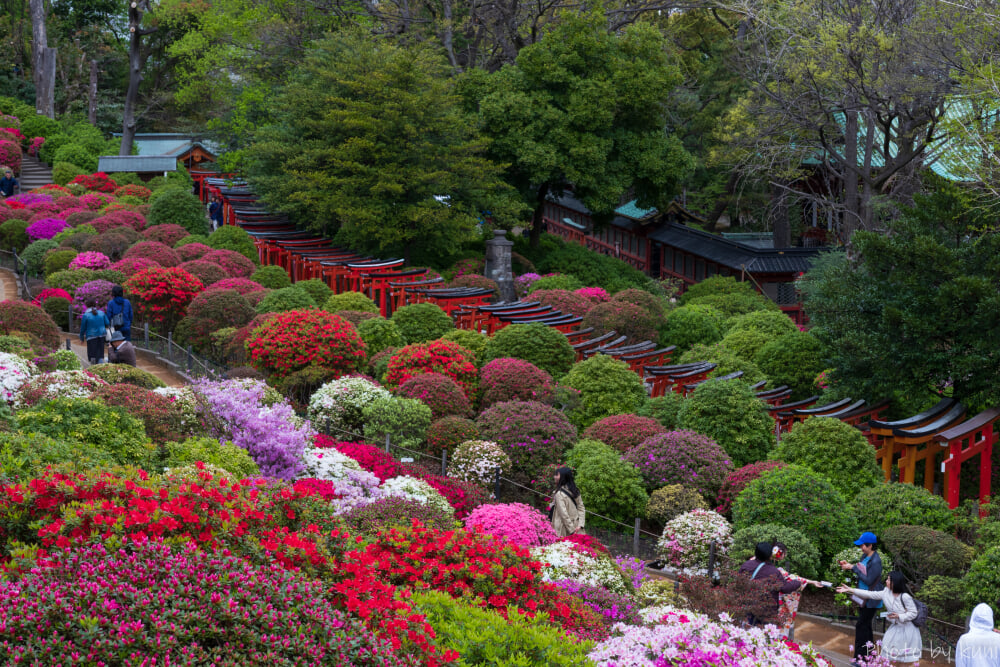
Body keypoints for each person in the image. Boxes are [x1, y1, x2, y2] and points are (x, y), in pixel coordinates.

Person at [837, 571, 922, 664]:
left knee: (904, 658)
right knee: (888, 649)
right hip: (895, 628)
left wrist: (899, 616)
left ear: (895, 582)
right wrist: (851, 589)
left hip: (907, 631)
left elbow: (913, 613)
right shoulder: (886, 592)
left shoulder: (905, 597)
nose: (886, 581)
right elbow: (869, 594)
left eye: (889, 579)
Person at [840, 531, 885, 664]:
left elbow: (869, 580)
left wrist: (853, 568)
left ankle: (859, 658)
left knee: (861, 626)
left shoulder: (876, 561)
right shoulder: (864, 557)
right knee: (866, 627)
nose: (861, 548)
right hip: (862, 596)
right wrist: (849, 566)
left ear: (870, 545)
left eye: (863, 546)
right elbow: (861, 571)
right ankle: (869, 657)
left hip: (871, 599)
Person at [738, 542, 806, 626]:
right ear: (770, 555)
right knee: (765, 633)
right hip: (766, 610)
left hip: (748, 605)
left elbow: (739, 581)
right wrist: (797, 582)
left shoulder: (746, 565)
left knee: (750, 631)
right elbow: (784, 588)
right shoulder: (774, 571)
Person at [772, 541, 824, 640]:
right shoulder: (778, 570)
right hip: (775, 604)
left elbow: (791, 577)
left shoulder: (766, 565)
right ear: (781, 554)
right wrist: (811, 582)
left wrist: (811, 582)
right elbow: (793, 579)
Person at [550, 466, 585, 537]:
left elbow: (564, 515)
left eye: (557, 475)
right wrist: (580, 525)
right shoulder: (575, 491)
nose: (555, 477)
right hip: (577, 526)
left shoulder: (559, 494)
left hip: (563, 529)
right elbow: (581, 508)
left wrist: (572, 531)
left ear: (563, 477)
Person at [79, 298, 110, 364]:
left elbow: (82, 328)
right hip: (102, 335)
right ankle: (101, 365)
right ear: (95, 305)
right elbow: (107, 323)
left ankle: (93, 368)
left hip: (91, 336)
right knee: (100, 353)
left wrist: (81, 338)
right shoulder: (102, 313)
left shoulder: (85, 315)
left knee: (92, 354)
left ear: (87, 305)